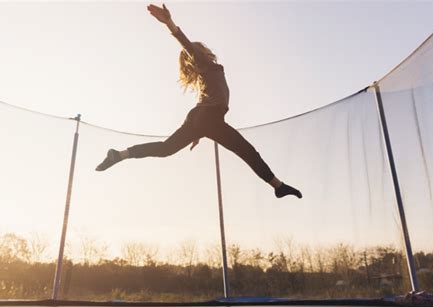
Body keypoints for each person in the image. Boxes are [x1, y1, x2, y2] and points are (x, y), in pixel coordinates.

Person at [96, 3, 302, 199]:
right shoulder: (206, 64)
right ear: (200, 54)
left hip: (200, 118)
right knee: (246, 151)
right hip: (208, 118)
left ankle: (119, 155)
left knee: (165, 148)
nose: (205, 50)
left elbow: (204, 105)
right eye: (201, 50)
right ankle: (278, 186)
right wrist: (170, 23)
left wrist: (198, 132)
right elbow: (186, 45)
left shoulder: (207, 73)